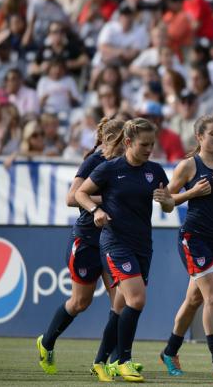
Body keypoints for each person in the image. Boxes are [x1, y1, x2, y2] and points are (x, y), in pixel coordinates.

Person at [74, 118, 174, 382]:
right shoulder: (110, 168)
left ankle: (99, 362)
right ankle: (123, 360)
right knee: (137, 300)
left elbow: (169, 205)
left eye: (152, 144)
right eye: (144, 144)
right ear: (128, 142)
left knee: (119, 306)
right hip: (116, 242)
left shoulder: (155, 171)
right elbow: (80, 193)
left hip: (143, 244)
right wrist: (95, 210)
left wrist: (166, 201)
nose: (149, 149)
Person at [35, 118, 126, 380]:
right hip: (87, 240)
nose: (126, 147)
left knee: (121, 300)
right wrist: (107, 199)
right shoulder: (94, 161)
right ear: (109, 141)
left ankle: (114, 360)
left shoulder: (125, 163)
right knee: (80, 302)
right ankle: (46, 342)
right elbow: (71, 197)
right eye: (123, 142)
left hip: (112, 240)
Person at [159, 116, 213, 378]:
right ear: (199, 137)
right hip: (193, 238)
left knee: (194, 299)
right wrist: (191, 193)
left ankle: (169, 351)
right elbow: (165, 202)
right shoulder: (188, 166)